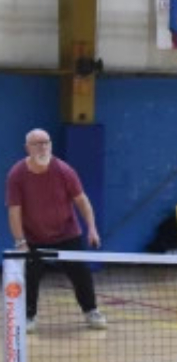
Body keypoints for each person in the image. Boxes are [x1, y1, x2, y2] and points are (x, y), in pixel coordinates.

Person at [5, 129, 107, 332]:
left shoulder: (64, 171)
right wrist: (20, 241)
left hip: (67, 233)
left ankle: (91, 311)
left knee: (80, 274)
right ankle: (28, 316)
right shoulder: (17, 175)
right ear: (27, 148)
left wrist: (92, 229)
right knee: (30, 276)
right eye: (37, 143)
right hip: (34, 236)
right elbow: (14, 211)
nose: (42, 147)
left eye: (46, 142)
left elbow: (82, 201)